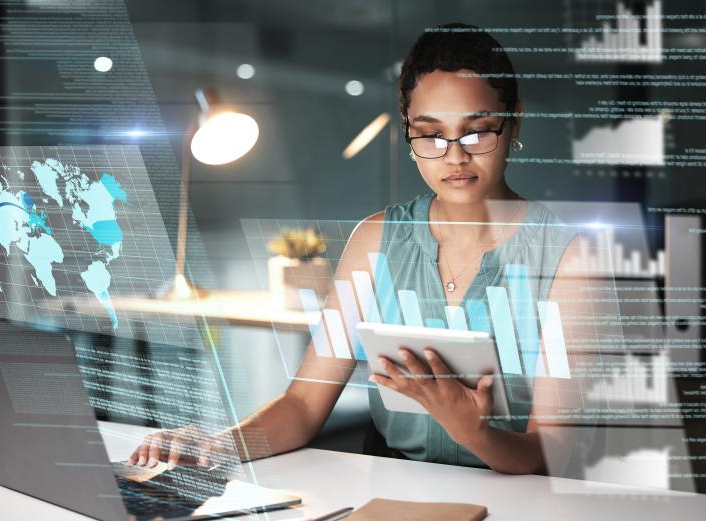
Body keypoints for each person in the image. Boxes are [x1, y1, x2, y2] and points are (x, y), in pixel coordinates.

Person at [130, 23, 591, 475]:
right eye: (431, 133)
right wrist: (219, 444)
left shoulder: (566, 260)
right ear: (409, 133)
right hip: (397, 491)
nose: (454, 156)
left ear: (514, 122)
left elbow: (548, 452)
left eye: (477, 131)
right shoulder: (375, 240)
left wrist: (474, 431)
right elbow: (304, 403)